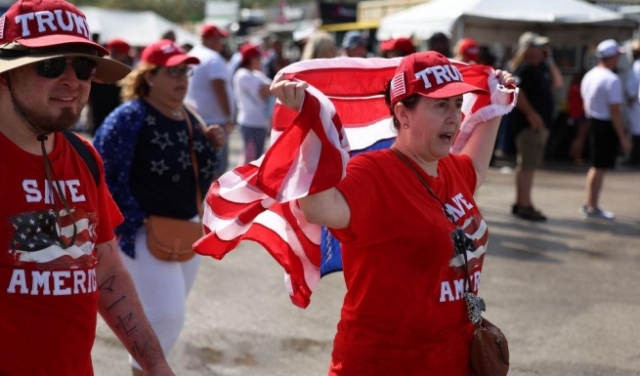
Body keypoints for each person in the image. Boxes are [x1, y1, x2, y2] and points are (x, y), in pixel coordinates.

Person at [271, 51, 514, 375]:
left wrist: (497, 99)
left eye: (458, 104)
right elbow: (319, 209)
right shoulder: (373, 173)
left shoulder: (454, 170)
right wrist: (310, 125)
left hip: (455, 359)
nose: (454, 117)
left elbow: (479, 167)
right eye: (440, 105)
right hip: (382, 363)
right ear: (403, 114)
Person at [0, 0, 174, 375]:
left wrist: (156, 364)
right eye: (50, 64)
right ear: (5, 74)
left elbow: (106, 267)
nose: (73, 81)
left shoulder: (83, 155)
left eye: (83, 66)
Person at [93, 39, 225, 375]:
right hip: (141, 232)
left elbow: (198, 176)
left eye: (185, 70)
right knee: (167, 313)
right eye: (173, 71)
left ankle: (142, 369)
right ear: (150, 76)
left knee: (169, 314)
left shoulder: (189, 114)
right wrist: (133, 221)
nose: (182, 78)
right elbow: (100, 171)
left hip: (185, 227)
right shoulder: (129, 116)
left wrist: (210, 147)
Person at [507, 31, 563, 221]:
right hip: (529, 126)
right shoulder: (524, 68)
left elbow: (558, 83)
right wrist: (531, 114)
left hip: (536, 125)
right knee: (527, 166)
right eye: (538, 47)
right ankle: (524, 204)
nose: (542, 50)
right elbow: (517, 91)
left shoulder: (539, 69)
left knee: (528, 166)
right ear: (528, 49)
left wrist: (550, 62)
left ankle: (523, 202)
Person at [579, 39, 632, 219]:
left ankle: (590, 203)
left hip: (593, 121)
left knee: (596, 166)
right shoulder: (612, 79)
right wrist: (623, 138)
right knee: (599, 167)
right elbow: (615, 112)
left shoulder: (591, 74)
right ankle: (592, 206)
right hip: (604, 125)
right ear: (612, 57)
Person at [186, 23, 234, 178]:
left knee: (200, 168)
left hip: (195, 118)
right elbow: (219, 87)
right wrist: (228, 116)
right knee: (216, 170)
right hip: (215, 122)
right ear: (212, 39)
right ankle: (210, 202)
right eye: (220, 39)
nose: (221, 43)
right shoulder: (213, 58)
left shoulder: (194, 54)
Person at [233, 44, 272, 164]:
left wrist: (269, 89)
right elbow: (264, 93)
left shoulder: (256, 74)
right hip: (250, 123)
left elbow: (272, 88)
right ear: (251, 59)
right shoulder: (242, 74)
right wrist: (269, 89)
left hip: (260, 123)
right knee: (250, 160)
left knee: (256, 159)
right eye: (258, 58)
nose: (261, 61)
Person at [88, 37, 132, 135]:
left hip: (101, 118)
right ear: (120, 53)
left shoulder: (96, 66)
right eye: (124, 54)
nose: (125, 58)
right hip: (110, 119)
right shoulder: (120, 71)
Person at [624, 40, 640, 167]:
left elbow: (635, 86)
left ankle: (634, 158)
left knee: (636, 130)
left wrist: (631, 97)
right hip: (634, 102)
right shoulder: (635, 65)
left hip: (636, 103)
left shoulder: (637, 66)